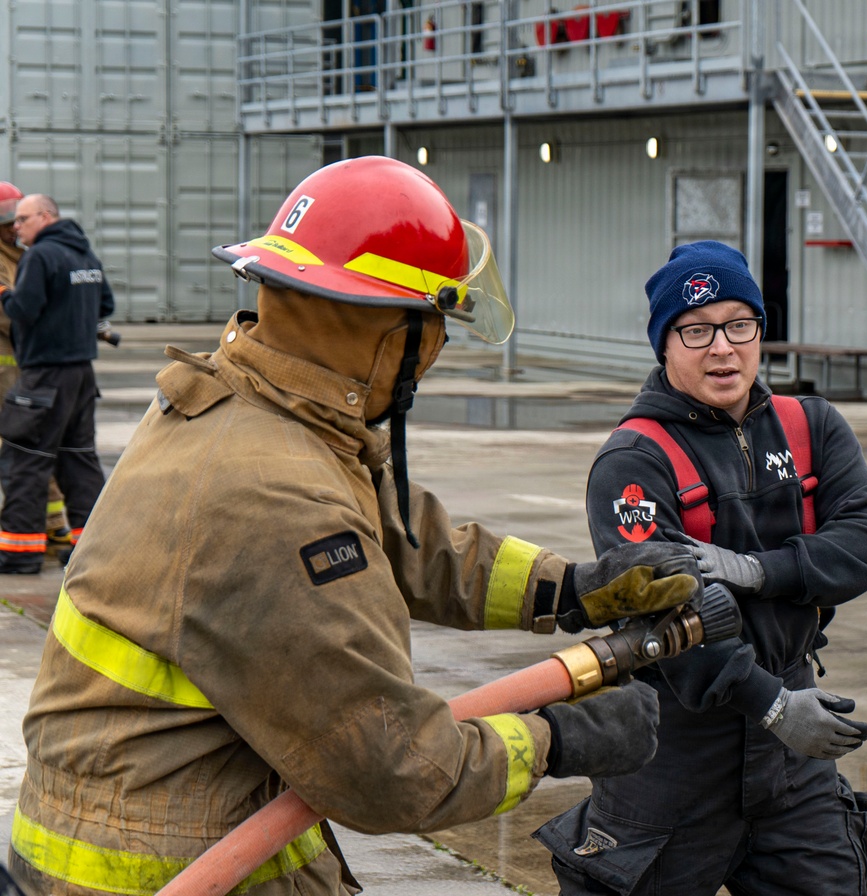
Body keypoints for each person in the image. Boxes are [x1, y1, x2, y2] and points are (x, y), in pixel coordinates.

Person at [7, 157, 707, 895]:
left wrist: (573, 590)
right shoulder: (277, 498)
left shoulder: (253, 403)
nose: (436, 351)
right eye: (433, 326)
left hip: (142, 826)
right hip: (165, 870)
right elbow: (391, 766)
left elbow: (406, 537)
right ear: (382, 332)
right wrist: (558, 738)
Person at [535, 240, 867, 895]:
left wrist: (761, 571)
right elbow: (665, 617)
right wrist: (771, 706)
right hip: (672, 755)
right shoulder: (634, 461)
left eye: (739, 325)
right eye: (697, 330)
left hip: (794, 760)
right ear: (665, 345)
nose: (723, 348)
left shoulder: (810, 427)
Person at [0, 194, 113, 574]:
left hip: (44, 376)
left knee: (25, 458)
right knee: (79, 460)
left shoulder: (41, 255)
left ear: (46, 217)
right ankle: (90, 549)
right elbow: (105, 305)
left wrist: (4, 294)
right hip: (81, 376)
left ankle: (19, 553)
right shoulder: (85, 254)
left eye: (23, 219)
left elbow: (23, 310)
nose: (16, 227)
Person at [0, 182, 73, 556]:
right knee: (22, 448)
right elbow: (12, 317)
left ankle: (50, 523)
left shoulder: (25, 257)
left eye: (17, 221)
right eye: (8, 224)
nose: (14, 229)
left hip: (27, 369)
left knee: (33, 446)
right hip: (8, 373)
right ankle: (40, 527)